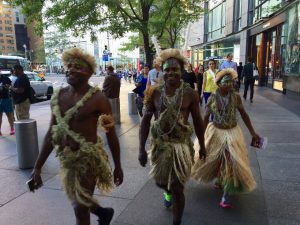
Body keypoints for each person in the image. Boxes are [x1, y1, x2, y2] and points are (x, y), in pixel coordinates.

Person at [29, 48, 123, 225]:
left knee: (79, 208)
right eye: (69, 65)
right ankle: (103, 213)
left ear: (89, 72)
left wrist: (118, 166)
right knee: (79, 198)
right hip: (67, 159)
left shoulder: (98, 99)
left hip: (89, 160)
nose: (71, 69)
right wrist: (37, 166)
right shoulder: (59, 96)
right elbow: (51, 133)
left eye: (77, 66)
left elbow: (111, 135)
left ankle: (101, 213)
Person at [139, 49, 206, 225]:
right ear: (162, 71)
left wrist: (203, 146)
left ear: (181, 71)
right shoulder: (154, 93)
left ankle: (177, 221)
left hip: (181, 145)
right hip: (160, 146)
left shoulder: (190, 94)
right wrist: (141, 150)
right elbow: (145, 121)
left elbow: (198, 121)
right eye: (167, 69)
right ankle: (166, 189)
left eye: (175, 69)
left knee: (178, 187)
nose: (170, 73)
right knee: (162, 183)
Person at [192, 68, 260, 209]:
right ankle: (220, 179)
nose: (229, 84)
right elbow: (205, 118)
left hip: (232, 132)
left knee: (231, 160)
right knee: (215, 158)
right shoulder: (212, 98)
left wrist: (253, 133)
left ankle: (226, 195)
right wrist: (201, 137)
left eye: (231, 82)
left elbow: (244, 114)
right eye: (226, 82)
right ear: (218, 83)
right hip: (216, 132)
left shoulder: (236, 97)